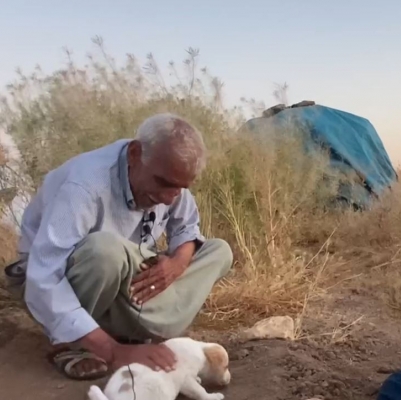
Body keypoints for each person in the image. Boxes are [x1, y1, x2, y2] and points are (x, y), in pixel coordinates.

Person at [4, 113, 233, 380]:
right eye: (164, 184)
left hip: (126, 283)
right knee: (105, 250)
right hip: (62, 282)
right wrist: (113, 351)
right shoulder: (84, 185)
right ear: (135, 154)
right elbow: (44, 276)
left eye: (180, 188)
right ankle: (73, 343)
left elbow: (186, 228)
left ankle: (137, 328)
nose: (169, 198)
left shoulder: (167, 175)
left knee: (218, 251)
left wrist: (176, 264)